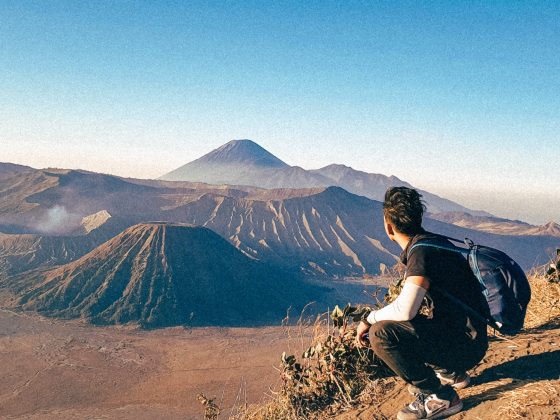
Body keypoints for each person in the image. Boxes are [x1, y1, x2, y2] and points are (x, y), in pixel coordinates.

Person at [356, 187, 489, 420]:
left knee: (380, 333)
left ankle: (440, 396)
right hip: (470, 338)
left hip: (464, 346)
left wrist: (368, 319)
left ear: (389, 227)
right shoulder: (433, 243)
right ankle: (451, 373)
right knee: (398, 320)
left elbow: (405, 309)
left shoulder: (421, 253)